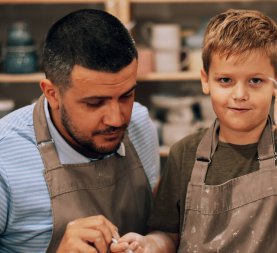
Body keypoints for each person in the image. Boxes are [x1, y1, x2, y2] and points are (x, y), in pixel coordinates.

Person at [111, 9, 277, 253]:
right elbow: (168, 234)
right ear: (206, 81)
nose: (240, 95)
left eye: (255, 81)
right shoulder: (184, 154)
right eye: (226, 80)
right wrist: (149, 244)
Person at [0, 9, 160, 253]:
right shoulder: (5, 155)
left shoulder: (139, 123)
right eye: (95, 103)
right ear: (52, 94)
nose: (117, 119)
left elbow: (156, 226)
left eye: (126, 95)